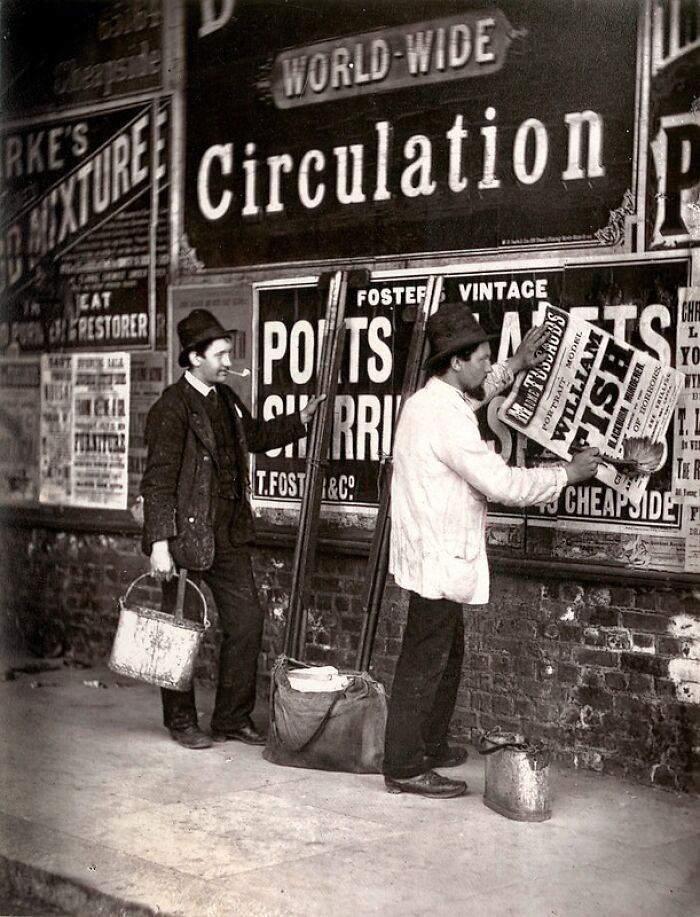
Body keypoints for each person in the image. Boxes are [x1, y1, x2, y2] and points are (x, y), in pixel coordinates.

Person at [383, 303, 601, 797]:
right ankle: (403, 765)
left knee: (446, 653)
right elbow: (501, 482)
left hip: (433, 551)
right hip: (438, 554)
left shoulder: (436, 401)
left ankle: (428, 745)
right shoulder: (446, 418)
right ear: (456, 362)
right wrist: (565, 475)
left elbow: (477, 395)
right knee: (426, 659)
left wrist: (517, 364)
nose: (487, 365)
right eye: (482, 357)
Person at [141, 309, 324, 750]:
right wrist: (159, 545)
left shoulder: (225, 400)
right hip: (185, 538)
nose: (228, 361)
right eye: (220, 354)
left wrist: (300, 418)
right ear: (194, 356)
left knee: (247, 623)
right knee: (180, 633)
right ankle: (181, 720)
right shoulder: (172, 407)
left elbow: (256, 436)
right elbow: (159, 481)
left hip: (228, 535)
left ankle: (230, 718)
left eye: (227, 353)